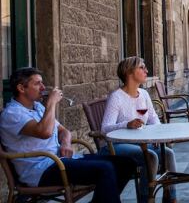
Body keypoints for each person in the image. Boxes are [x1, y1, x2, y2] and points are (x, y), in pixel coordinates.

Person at [0, 67, 136, 203]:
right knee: (105, 169)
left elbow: (63, 131)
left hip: (60, 161)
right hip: (40, 171)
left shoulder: (37, 107)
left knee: (126, 163)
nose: (43, 87)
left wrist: (65, 143)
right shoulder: (12, 114)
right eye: (37, 84)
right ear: (21, 88)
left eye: (42, 83)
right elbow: (44, 132)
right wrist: (51, 103)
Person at [101, 56, 177, 203]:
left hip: (140, 142)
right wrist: (126, 124)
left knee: (168, 153)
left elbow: (153, 118)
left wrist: (158, 135)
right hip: (117, 145)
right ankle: (147, 199)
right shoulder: (116, 97)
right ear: (129, 72)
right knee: (151, 156)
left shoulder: (144, 94)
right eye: (142, 68)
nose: (146, 70)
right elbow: (105, 129)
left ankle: (171, 198)